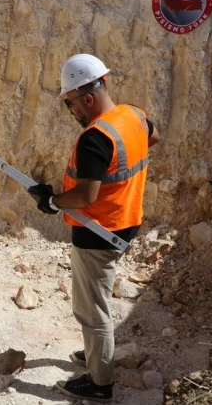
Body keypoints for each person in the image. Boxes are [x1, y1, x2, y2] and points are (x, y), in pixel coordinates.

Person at [28, 54, 161, 403]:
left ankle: (100, 383)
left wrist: (52, 200)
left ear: (87, 98)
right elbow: (154, 137)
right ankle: (93, 355)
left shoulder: (95, 137)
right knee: (93, 303)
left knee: (92, 310)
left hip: (97, 232)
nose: (71, 111)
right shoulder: (133, 115)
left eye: (70, 103)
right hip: (126, 220)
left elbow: (86, 195)